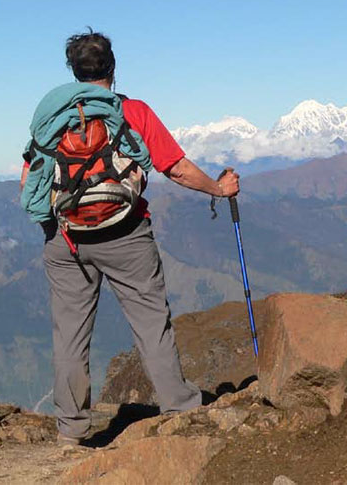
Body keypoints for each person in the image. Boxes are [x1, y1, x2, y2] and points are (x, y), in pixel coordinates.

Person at [21, 29, 240, 444]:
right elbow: (175, 167)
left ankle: (71, 430)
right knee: (151, 323)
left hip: (66, 240)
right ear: (112, 68)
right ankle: (179, 407)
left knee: (69, 334)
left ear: (73, 70)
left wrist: (60, 226)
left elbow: (28, 185)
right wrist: (219, 188)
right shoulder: (132, 111)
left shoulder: (53, 119)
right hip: (127, 234)